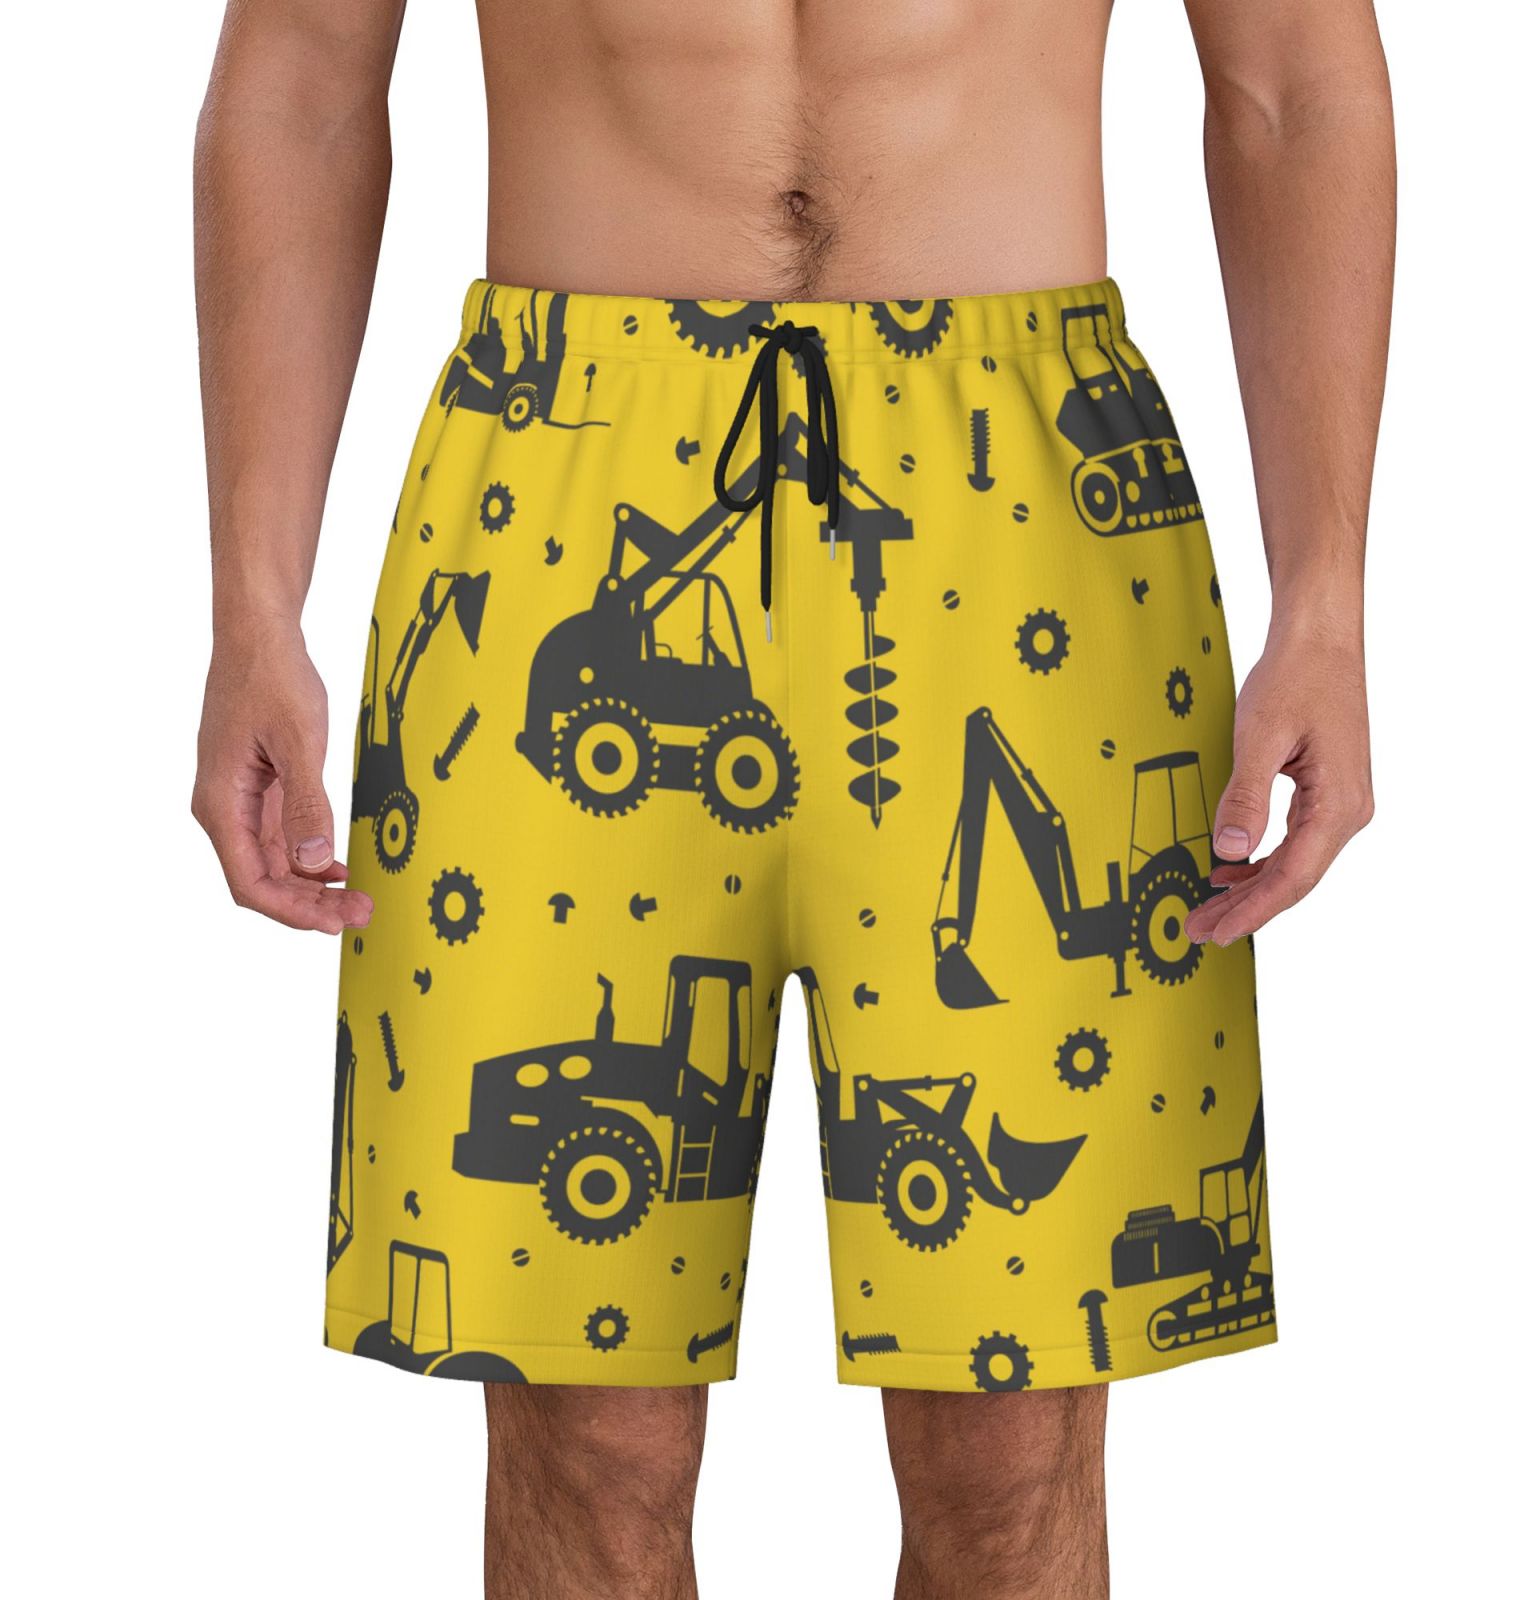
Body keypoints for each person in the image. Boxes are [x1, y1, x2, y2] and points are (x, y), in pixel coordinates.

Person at [191, 2, 1392, 1594]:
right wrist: (253, 607)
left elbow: (1294, 84)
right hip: (567, 461)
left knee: (1011, 1439)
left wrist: (1326, 604)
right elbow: (302, 83)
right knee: (584, 1427)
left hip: (1025, 499)